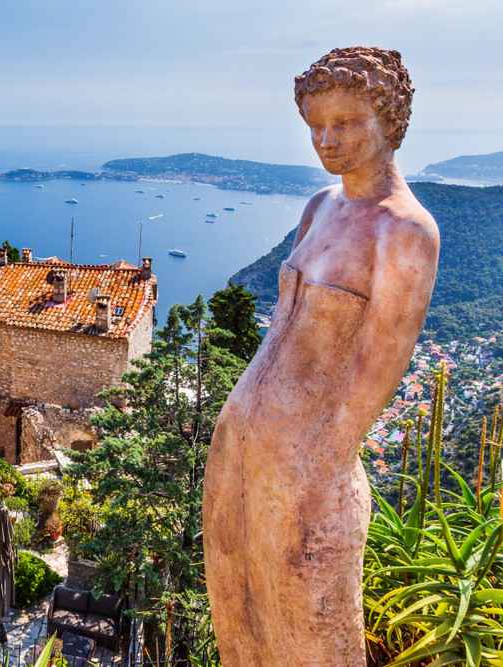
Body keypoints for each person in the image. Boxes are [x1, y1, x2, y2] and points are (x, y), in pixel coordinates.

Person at [203, 47, 439, 666]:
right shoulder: (320, 206)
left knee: (308, 628)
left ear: (390, 121)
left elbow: (380, 366)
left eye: (345, 123)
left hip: (308, 458)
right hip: (241, 437)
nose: (326, 141)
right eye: (315, 126)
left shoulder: (405, 231)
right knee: (238, 611)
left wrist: (324, 457)